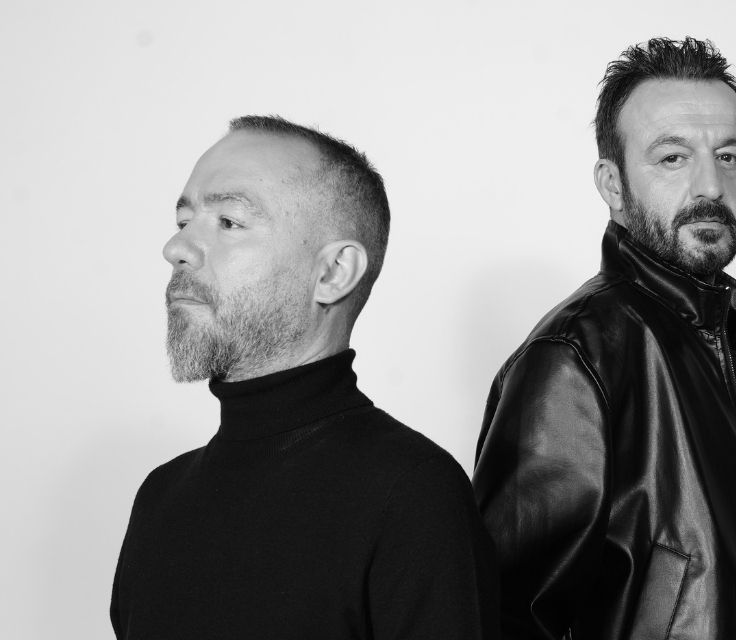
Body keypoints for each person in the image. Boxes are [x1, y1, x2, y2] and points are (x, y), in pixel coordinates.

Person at [473, 37, 736, 640]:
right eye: (673, 158)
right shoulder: (575, 357)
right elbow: (504, 620)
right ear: (612, 184)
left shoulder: (713, 338)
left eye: (730, 157)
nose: (711, 186)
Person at [110, 116, 498, 639]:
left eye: (229, 221)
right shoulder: (161, 498)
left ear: (333, 272)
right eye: (183, 220)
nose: (176, 248)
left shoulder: (411, 493)